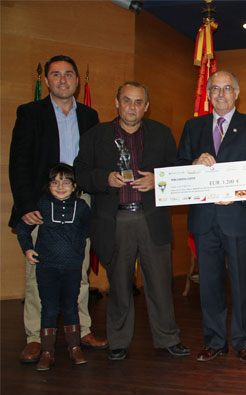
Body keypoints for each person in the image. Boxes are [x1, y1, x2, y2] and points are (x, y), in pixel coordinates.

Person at [74, 81, 189, 361]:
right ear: (117, 103)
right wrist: (105, 178)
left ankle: (168, 338)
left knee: (160, 284)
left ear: (146, 107)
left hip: (152, 219)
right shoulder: (96, 135)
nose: (132, 107)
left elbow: (176, 171)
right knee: (120, 285)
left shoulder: (161, 133)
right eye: (127, 101)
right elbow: (80, 172)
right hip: (115, 220)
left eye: (138, 102)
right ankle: (118, 341)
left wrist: (158, 179)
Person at [8, 54, 107, 364]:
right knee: (39, 272)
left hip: (80, 204)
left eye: (68, 74)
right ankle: (36, 336)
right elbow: (19, 163)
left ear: (77, 81)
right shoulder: (30, 113)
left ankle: (82, 330)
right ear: (47, 81)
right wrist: (26, 205)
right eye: (56, 75)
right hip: (42, 205)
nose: (62, 80)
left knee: (77, 269)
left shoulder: (90, 116)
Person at [177, 70, 246, 364]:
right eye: (215, 89)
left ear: (237, 92)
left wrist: (237, 192)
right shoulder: (193, 126)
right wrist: (193, 162)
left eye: (227, 88)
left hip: (238, 217)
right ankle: (214, 341)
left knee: (242, 284)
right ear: (209, 94)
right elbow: (178, 167)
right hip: (204, 219)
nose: (221, 94)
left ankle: (244, 341)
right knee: (210, 284)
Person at [16, 164, 91, 371]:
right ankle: (47, 352)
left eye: (66, 182)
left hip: (72, 267)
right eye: (55, 182)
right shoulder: (41, 204)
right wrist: (28, 249)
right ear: (48, 186)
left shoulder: (82, 207)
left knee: (70, 306)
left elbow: (86, 231)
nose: (60, 186)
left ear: (74, 186)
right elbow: (23, 228)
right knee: (48, 308)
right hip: (46, 267)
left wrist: (75, 251)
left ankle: (74, 347)